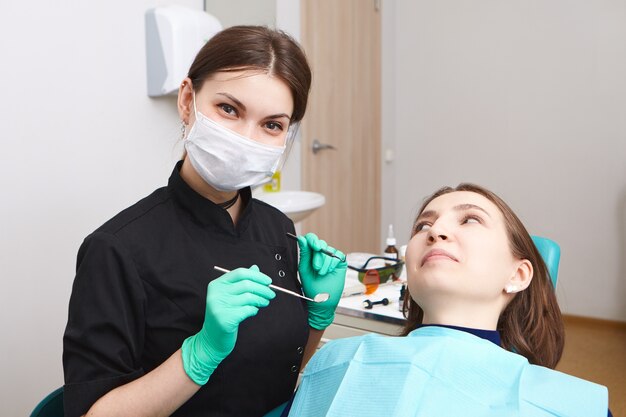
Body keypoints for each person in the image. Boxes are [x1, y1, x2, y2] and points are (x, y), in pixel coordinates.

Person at [63, 25, 347, 417]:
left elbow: (283, 370)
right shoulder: (117, 249)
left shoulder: (278, 228)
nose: (246, 138)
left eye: (271, 125)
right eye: (229, 109)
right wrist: (200, 353)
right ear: (186, 100)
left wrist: (317, 317)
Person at [286, 183, 610, 417]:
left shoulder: (570, 404)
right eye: (422, 225)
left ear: (518, 275)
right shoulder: (337, 361)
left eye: (470, 219)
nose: (436, 230)